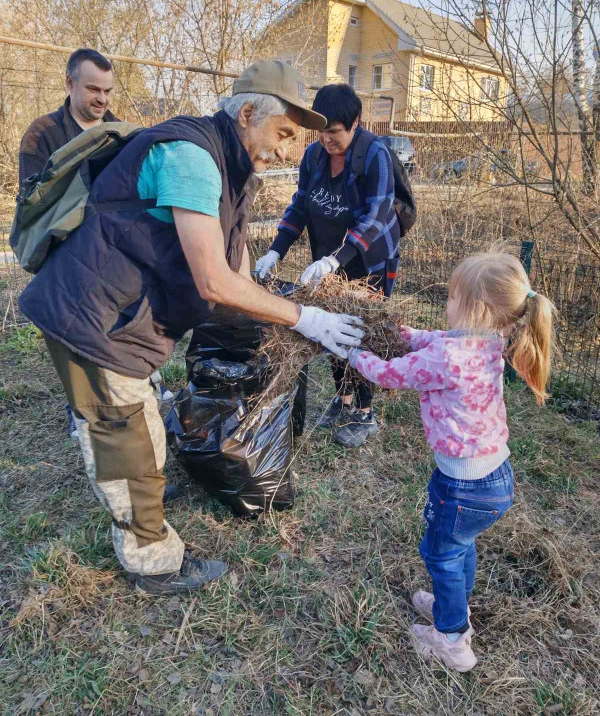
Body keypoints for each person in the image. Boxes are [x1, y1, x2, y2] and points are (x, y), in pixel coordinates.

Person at [18, 60, 364, 597]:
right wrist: (307, 318)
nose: (290, 152)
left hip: (122, 315)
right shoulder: (194, 158)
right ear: (248, 113)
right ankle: (151, 561)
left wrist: (275, 317)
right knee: (124, 436)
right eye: (285, 134)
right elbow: (214, 280)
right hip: (94, 318)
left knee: (143, 427)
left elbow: (238, 266)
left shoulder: (230, 163)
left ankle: (144, 496)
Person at [347, 248, 556, 671]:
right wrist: (404, 332)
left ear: (474, 308)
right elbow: (437, 339)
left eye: (452, 298)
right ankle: (452, 603)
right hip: (495, 477)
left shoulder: (448, 360)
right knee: (461, 546)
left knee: (440, 553)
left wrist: (352, 352)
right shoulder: (489, 341)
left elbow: (388, 374)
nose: (446, 305)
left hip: (463, 486)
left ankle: (452, 639)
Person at [255, 84, 406, 448]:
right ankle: (343, 399)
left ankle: (364, 412)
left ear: (354, 122)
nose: (327, 140)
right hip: (327, 259)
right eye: (321, 131)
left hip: (368, 259)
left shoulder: (374, 155)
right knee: (332, 329)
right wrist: (276, 251)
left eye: (334, 132)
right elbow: (301, 206)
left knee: (363, 331)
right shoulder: (313, 157)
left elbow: (378, 215)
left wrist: (336, 259)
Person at [19, 48, 119, 186]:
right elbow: (32, 202)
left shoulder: (122, 133)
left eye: (107, 91)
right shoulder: (41, 133)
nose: (102, 99)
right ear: (70, 83)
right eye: (93, 89)